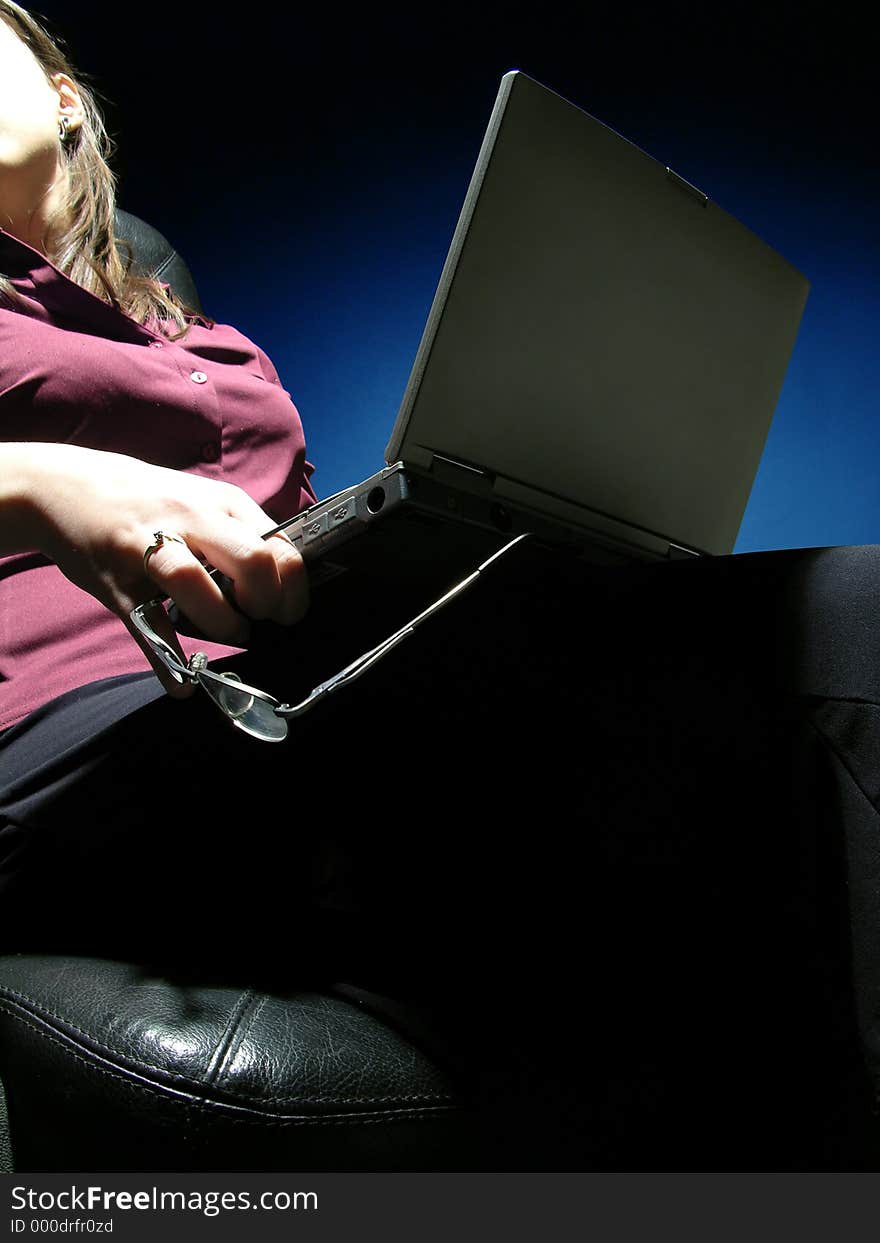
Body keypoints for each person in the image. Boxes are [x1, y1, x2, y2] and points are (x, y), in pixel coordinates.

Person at [2, 0, 880, 1168]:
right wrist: (36, 478)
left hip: (296, 689)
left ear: (64, 93)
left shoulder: (202, 339)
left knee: (841, 615)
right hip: (70, 736)